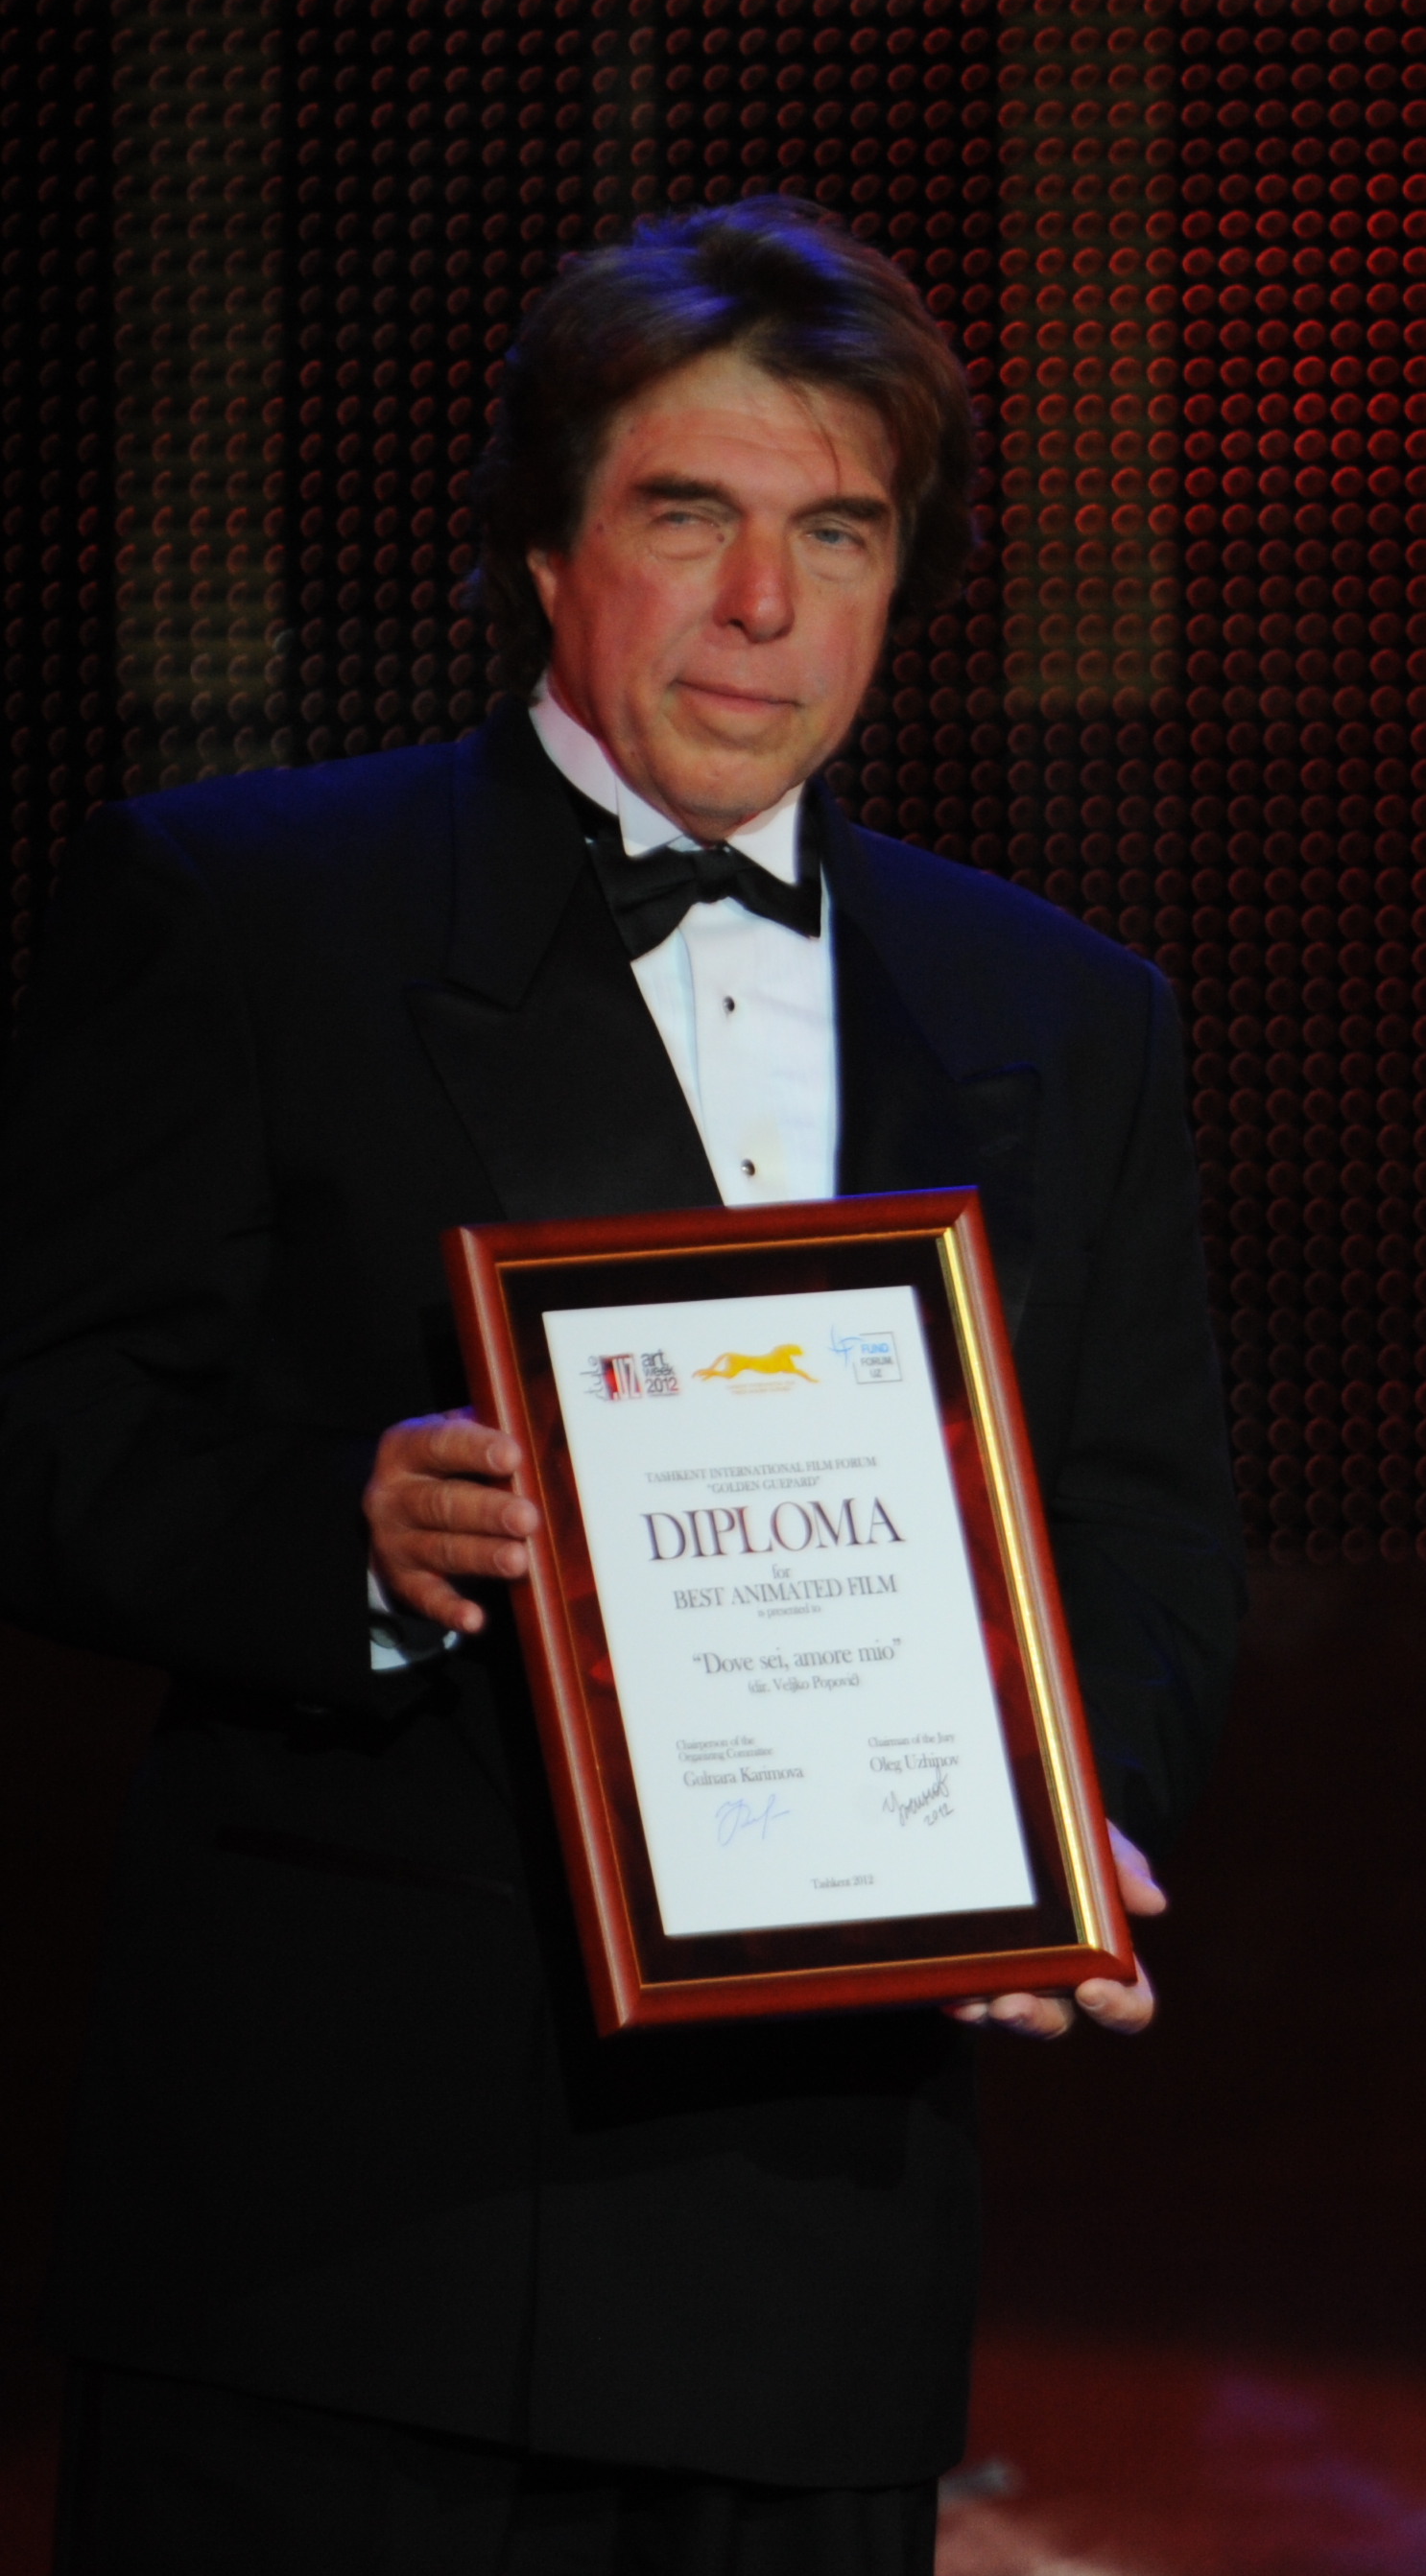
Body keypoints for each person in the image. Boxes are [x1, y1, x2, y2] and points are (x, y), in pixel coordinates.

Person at [1, 196, 1240, 2572]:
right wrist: (336, 1536)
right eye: (693, 518)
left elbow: (1149, 1531)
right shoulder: (247, 908)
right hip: (339, 2237)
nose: (765, 607)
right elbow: (43, 1424)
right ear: (548, 551)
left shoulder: (1063, 1013)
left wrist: (1061, 1803)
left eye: (838, 532)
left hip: (811, 2238)